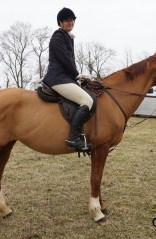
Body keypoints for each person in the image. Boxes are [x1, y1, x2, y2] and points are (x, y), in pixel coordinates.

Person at [43, 7, 93, 150]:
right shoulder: (58, 36)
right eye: (67, 20)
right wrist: (76, 74)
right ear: (60, 22)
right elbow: (65, 59)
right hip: (57, 79)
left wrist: (78, 78)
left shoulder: (67, 37)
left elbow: (70, 61)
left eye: (72, 20)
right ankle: (73, 139)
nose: (71, 22)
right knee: (87, 101)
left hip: (65, 78)